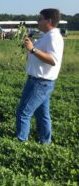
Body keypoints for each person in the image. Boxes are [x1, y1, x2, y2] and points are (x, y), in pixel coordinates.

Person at [16, 8, 64, 144]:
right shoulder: (47, 36)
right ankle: (45, 143)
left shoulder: (53, 37)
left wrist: (33, 49)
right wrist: (30, 49)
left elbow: (52, 60)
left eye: (40, 19)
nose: (38, 22)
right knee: (42, 114)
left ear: (49, 21)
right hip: (40, 81)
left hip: (40, 82)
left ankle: (20, 145)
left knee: (23, 113)